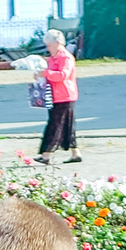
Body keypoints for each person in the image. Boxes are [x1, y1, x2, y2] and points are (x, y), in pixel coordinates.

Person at [35, 29, 80, 165]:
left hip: (64, 95)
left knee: (54, 124)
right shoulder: (52, 59)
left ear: (58, 43)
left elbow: (63, 75)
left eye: (49, 45)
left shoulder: (65, 57)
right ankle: (75, 153)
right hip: (56, 95)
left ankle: (46, 154)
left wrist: (46, 74)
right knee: (67, 125)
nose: (48, 48)